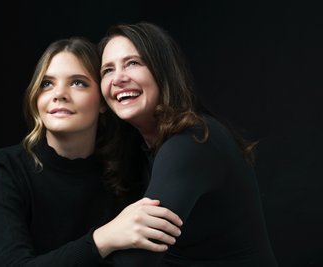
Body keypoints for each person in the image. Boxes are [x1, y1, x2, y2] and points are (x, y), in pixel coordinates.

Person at [0, 37, 183, 267]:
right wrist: (103, 239)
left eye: (78, 83)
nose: (59, 94)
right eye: (47, 83)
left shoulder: (125, 171)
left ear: (103, 101)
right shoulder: (4, 169)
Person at [97, 22, 278, 266]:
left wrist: (99, 240)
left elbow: (136, 260)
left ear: (164, 71)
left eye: (133, 63)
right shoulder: (140, 147)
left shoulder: (192, 141)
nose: (118, 78)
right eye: (108, 70)